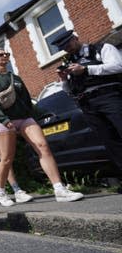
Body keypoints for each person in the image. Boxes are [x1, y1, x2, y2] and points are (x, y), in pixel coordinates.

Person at [0, 48, 84, 205]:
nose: (5, 56)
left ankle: (59, 189)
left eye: (7, 54)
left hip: (24, 118)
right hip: (5, 122)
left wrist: (44, 114)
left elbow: (27, 101)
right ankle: (1, 191)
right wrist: (3, 119)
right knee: (7, 158)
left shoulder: (15, 78)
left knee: (43, 146)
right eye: (0, 54)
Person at [52, 29, 122, 179]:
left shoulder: (101, 48)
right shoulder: (69, 62)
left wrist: (86, 69)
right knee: (110, 141)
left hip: (108, 97)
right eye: (63, 48)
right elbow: (69, 91)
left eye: (68, 44)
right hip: (87, 104)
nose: (67, 49)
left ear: (75, 38)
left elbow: (118, 66)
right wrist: (64, 79)